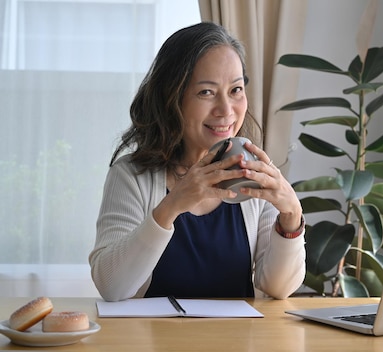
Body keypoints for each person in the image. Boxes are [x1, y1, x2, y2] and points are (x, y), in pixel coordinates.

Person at [89, 22, 306, 302]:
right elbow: (112, 287)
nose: (226, 110)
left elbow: (278, 288)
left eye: (236, 90)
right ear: (172, 99)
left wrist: (291, 218)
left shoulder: (253, 174)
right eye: (206, 92)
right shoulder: (131, 175)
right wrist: (172, 206)